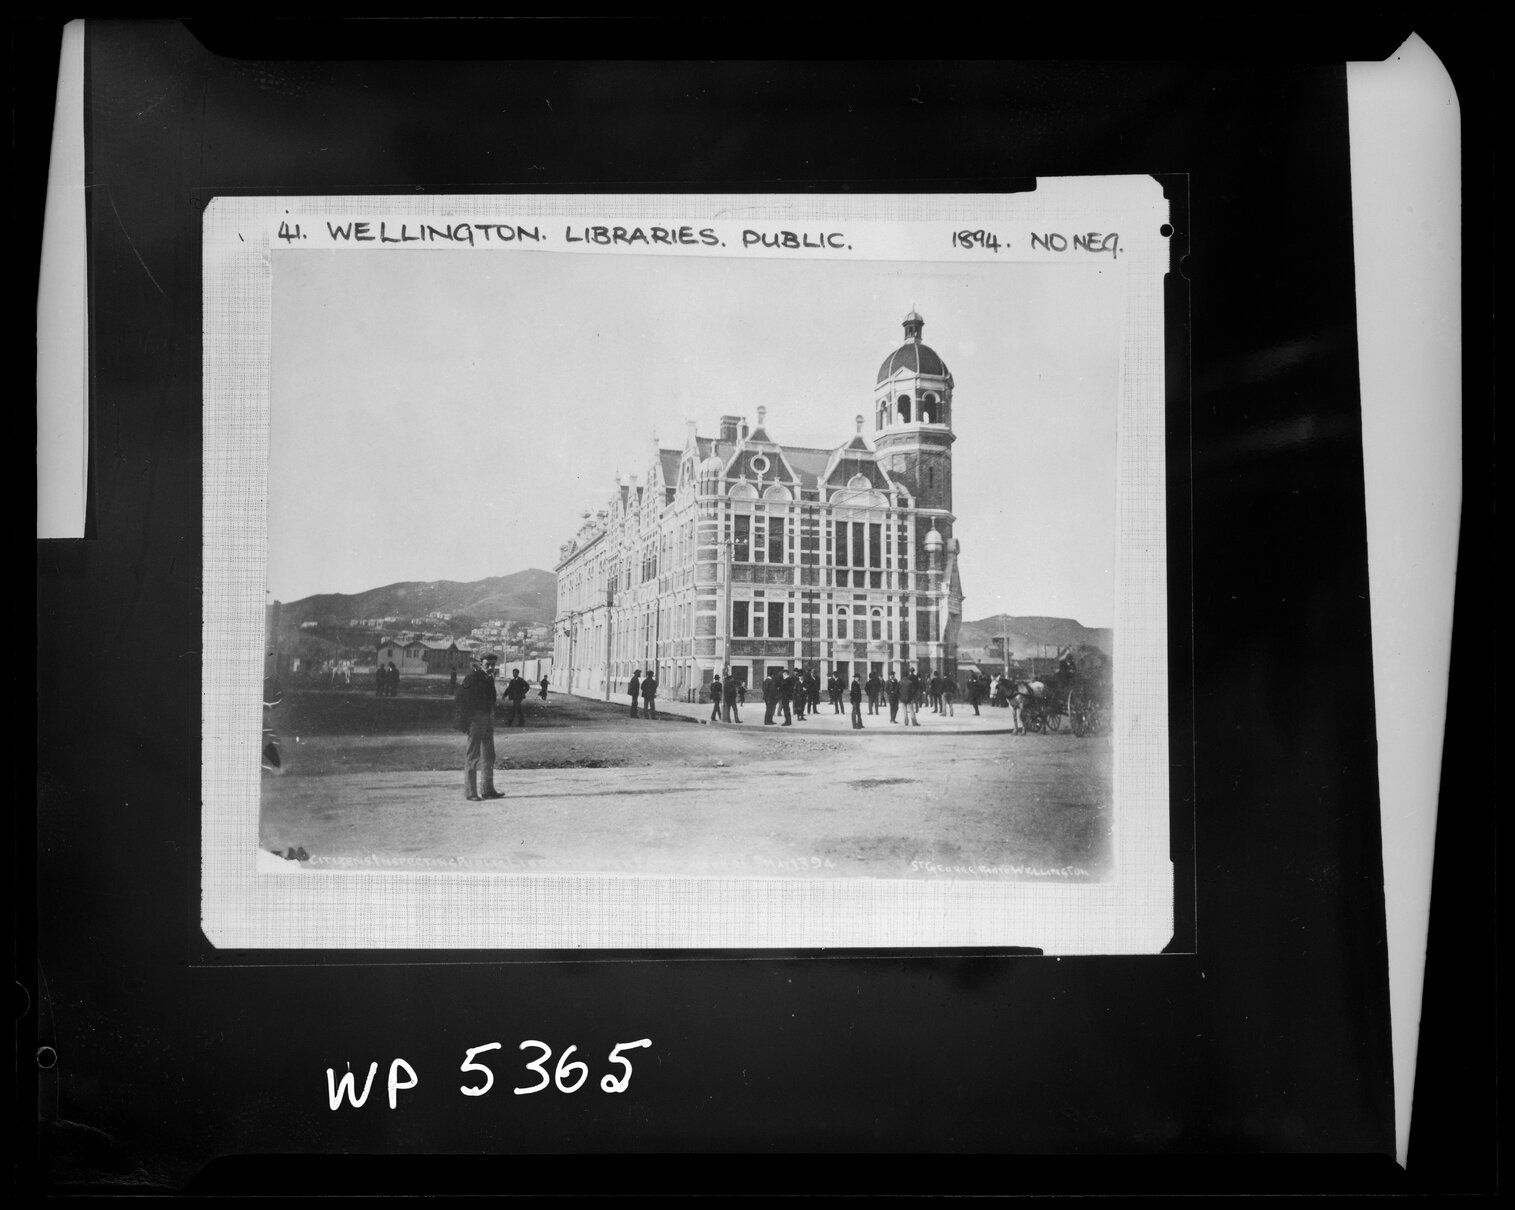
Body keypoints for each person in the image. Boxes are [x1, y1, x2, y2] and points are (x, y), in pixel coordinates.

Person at [457, 656, 504, 801]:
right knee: (473, 756)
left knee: (489, 755)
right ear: (480, 664)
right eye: (487, 664)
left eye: (493, 665)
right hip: (476, 719)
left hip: (488, 718)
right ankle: (471, 793)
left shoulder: (489, 678)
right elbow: (460, 698)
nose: (490, 667)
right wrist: (469, 718)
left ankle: (487, 789)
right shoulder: (472, 678)